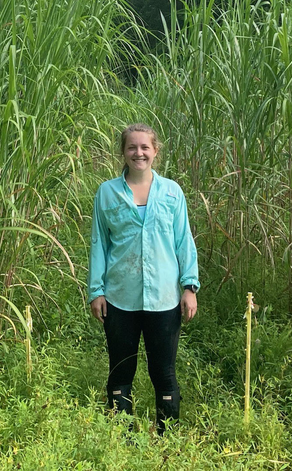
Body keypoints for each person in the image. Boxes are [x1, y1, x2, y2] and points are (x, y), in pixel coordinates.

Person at [88, 123, 199, 434]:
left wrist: (189, 287)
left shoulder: (172, 192)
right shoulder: (107, 193)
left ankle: (167, 441)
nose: (139, 153)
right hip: (119, 297)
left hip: (163, 299)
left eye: (145, 147)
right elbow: (99, 243)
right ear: (123, 152)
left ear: (155, 151)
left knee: (163, 372)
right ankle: (122, 440)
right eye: (132, 147)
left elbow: (183, 241)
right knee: (121, 371)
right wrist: (96, 291)